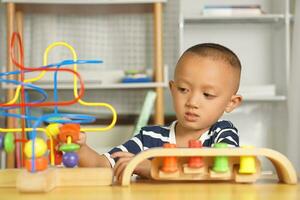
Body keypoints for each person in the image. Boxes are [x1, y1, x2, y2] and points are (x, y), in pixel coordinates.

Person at [76, 43, 242, 182]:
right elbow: (101, 166)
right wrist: (78, 148)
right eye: (183, 89)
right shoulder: (149, 138)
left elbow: (221, 171)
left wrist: (155, 169)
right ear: (172, 89)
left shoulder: (223, 133)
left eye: (207, 95)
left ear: (230, 103)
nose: (192, 102)